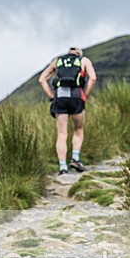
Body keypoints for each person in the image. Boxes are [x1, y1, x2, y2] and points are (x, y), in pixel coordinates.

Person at [38, 47, 97, 175]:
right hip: (76, 96)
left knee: (62, 133)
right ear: (79, 53)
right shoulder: (84, 60)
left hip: (60, 97)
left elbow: (42, 79)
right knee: (78, 129)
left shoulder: (57, 61)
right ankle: (75, 159)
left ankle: (62, 167)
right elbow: (92, 78)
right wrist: (85, 96)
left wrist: (51, 95)